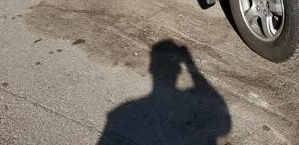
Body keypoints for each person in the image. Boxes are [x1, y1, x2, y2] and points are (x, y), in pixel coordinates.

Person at [98, 40, 231, 144]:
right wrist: (190, 64)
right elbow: (224, 124)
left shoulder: (121, 114)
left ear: (151, 68)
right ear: (179, 71)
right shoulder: (197, 106)